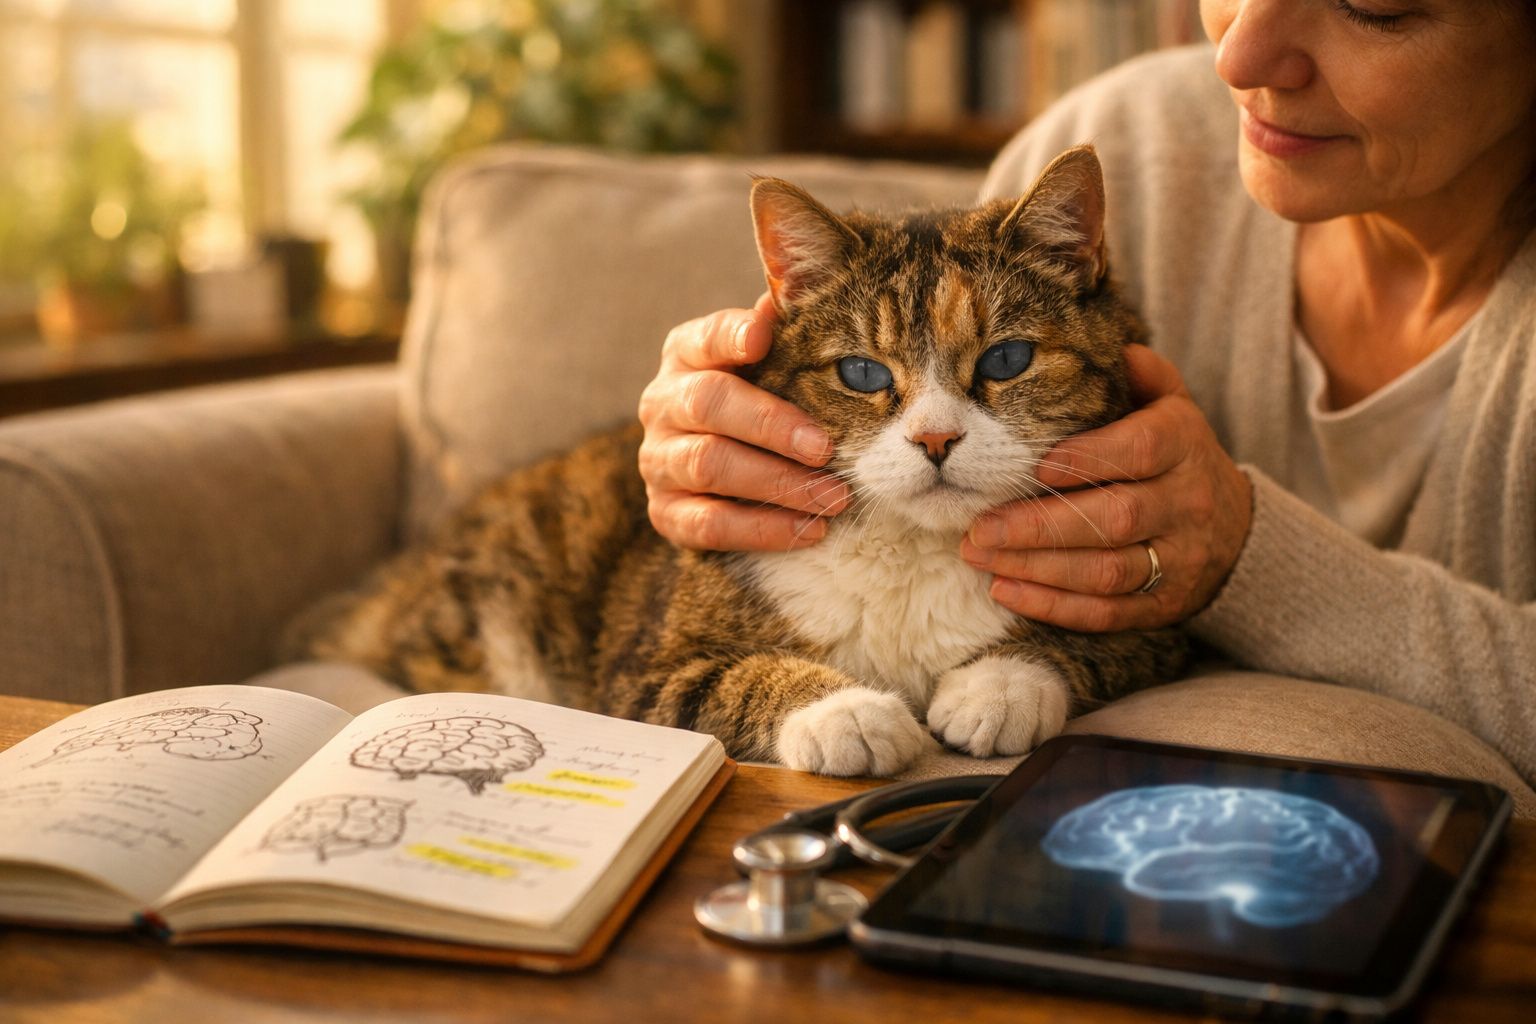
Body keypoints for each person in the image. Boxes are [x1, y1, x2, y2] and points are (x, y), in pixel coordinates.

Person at [636, 0, 1536, 786]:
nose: (1239, 57)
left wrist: (1247, 558)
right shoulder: (1127, 131)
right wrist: (712, 442)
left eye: (1372, 5)